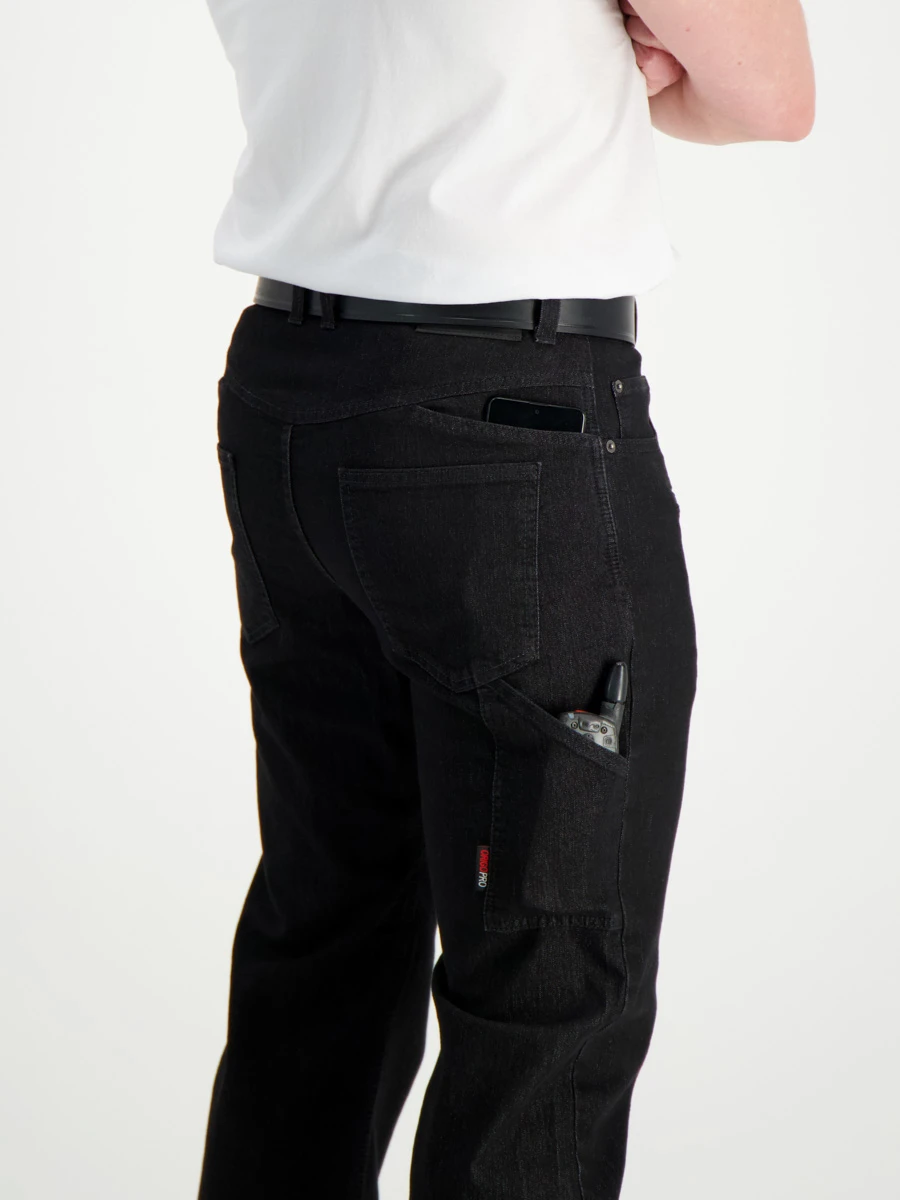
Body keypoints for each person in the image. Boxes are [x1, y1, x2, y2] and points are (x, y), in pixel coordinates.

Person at [196, 2, 815, 1197]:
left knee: (323, 943)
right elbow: (772, 94)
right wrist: (628, 60)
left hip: (289, 396)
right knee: (548, 989)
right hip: (508, 421)